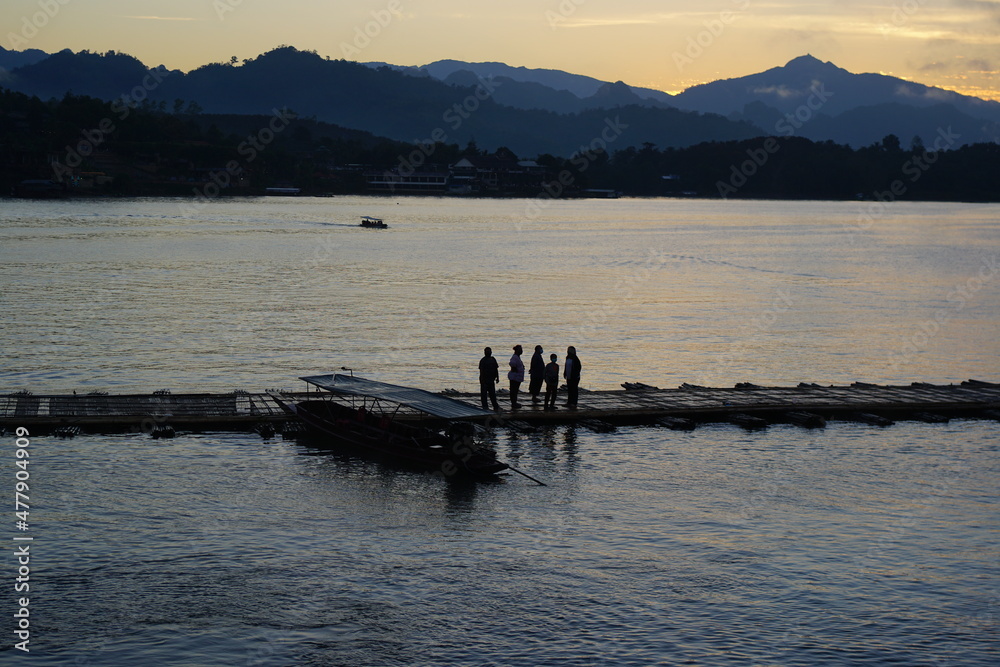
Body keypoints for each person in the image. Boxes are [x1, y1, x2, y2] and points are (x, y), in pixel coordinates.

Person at [478, 347, 500, 411]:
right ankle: (485, 407)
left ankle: (495, 406)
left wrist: (497, 378)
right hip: (484, 380)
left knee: (492, 394)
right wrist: (482, 380)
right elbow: (481, 371)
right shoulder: (483, 360)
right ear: (484, 352)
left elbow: (496, 369)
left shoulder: (493, 359)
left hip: (491, 380)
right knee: (484, 395)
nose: (488, 353)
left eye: (489, 351)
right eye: (487, 351)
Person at [508, 344, 525, 409]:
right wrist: (517, 370)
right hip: (515, 378)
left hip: (517, 377)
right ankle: (513, 403)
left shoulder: (517, 357)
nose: (521, 351)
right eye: (520, 350)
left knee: (515, 390)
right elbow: (512, 365)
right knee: (514, 391)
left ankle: (514, 402)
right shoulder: (515, 357)